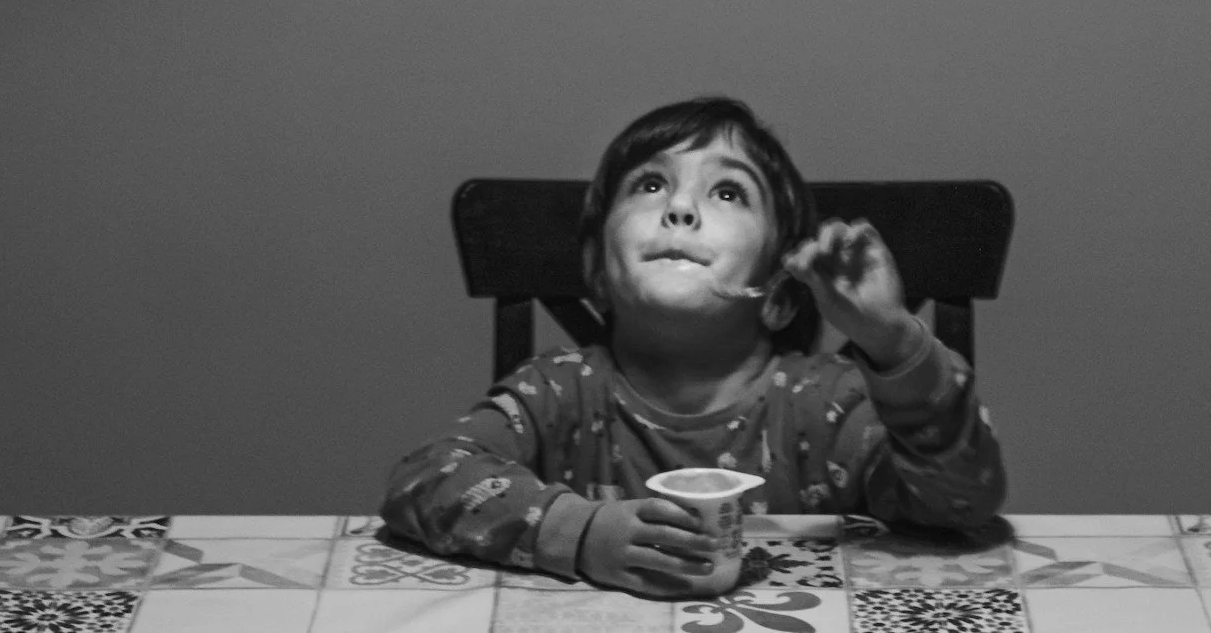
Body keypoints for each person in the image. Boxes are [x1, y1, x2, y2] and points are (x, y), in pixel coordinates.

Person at [381, 94, 1008, 593]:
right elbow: (423, 481)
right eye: (649, 186)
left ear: (780, 290)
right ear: (598, 271)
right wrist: (581, 534)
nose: (680, 207)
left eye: (728, 192)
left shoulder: (829, 404)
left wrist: (894, 341)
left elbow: (960, 505)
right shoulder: (554, 391)